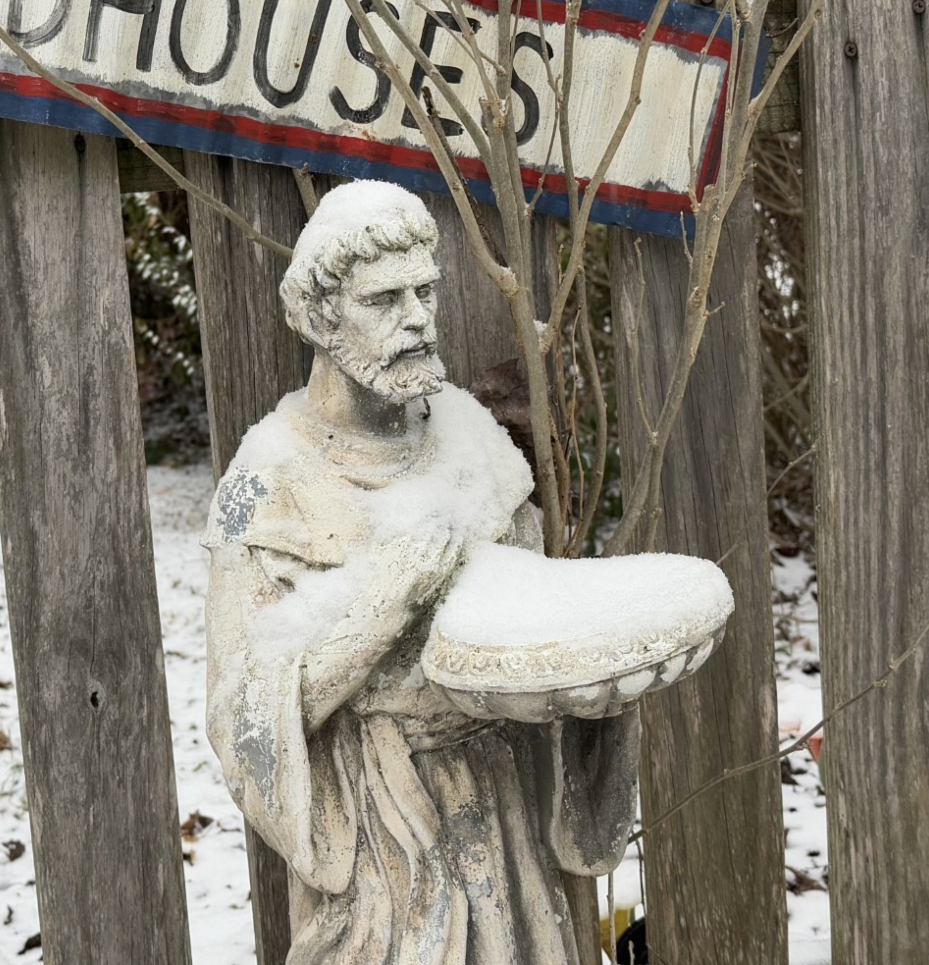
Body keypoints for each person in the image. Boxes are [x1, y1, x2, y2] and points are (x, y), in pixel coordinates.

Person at [204, 180, 640, 965]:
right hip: (379, 841)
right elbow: (244, 717)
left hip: (501, 816)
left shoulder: (473, 445)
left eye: (425, 292)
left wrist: (593, 686)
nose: (417, 319)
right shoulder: (267, 485)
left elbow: (529, 622)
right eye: (384, 300)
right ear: (321, 318)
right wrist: (383, 605)